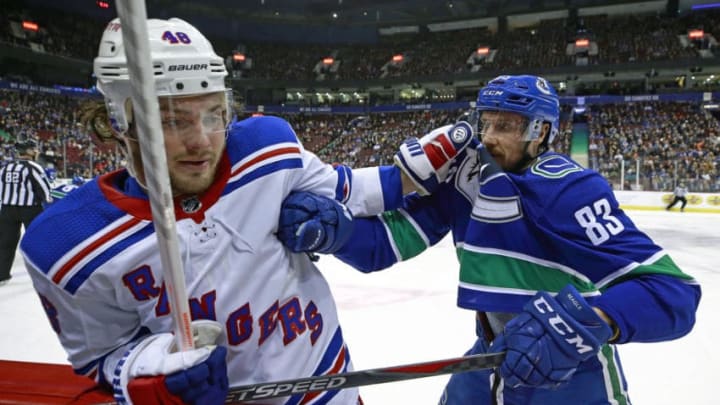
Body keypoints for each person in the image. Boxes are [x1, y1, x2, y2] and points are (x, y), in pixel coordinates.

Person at [19, 17, 472, 405]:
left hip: (329, 388)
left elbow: (361, 192)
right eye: (174, 120)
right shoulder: (64, 244)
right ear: (119, 119)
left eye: (214, 114)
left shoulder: (267, 148)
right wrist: (150, 371)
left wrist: (434, 162)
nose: (201, 140)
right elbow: (102, 358)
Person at [279, 75, 701, 404]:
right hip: (489, 356)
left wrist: (590, 319)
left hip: (571, 374)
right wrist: (339, 230)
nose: (490, 136)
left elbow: (673, 293)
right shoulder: (467, 177)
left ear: (540, 133)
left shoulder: (570, 192)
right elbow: (387, 243)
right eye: (486, 122)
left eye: (507, 126)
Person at [0, 141, 52, 285]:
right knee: (38, 241)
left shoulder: (5, 167)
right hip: (30, 209)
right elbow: (46, 192)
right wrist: (47, 201)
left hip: (7, 209)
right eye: (34, 149)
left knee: (5, 243)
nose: (36, 152)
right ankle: (43, 274)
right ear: (28, 151)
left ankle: (2, 275)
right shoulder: (34, 167)